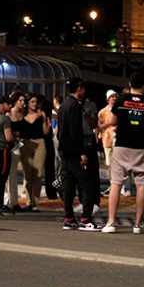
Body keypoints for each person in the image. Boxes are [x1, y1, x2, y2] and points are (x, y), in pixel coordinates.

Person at [105, 71, 144, 234]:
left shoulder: (121, 100)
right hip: (142, 146)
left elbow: (112, 121)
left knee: (116, 183)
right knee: (142, 184)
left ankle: (111, 222)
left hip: (122, 145)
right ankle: (137, 224)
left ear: (129, 83)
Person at [58, 78, 100, 231]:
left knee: (68, 186)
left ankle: (69, 218)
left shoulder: (63, 105)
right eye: (83, 88)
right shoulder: (76, 106)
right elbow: (76, 131)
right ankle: (86, 219)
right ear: (79, 88)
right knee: (87, 185)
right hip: (74, 151)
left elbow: (61, 130)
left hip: (64, 150)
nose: (84, 91)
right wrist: (81, 152)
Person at [19, 94, 50, 211]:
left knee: (38, 173)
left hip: (40, 143)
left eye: (36, 102)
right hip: (26, 143)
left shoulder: (41, 114)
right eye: (32, 101)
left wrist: (47, 124)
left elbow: (45, 132)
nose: (35, 104)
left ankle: (35, 203)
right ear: (28, 103)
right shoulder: (22, 114)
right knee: (28, 174)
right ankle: (29, 200)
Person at [98, 90, 119, 167]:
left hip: (119, 139)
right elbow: (99, 126)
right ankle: (111, 179)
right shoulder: (102, 112)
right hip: (107, 139)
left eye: (115, 96)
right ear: (108, 99)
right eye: (112, 97)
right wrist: (109, 123)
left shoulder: (120, 110)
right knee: (109, 163)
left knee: (118, 163)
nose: (114, 98)